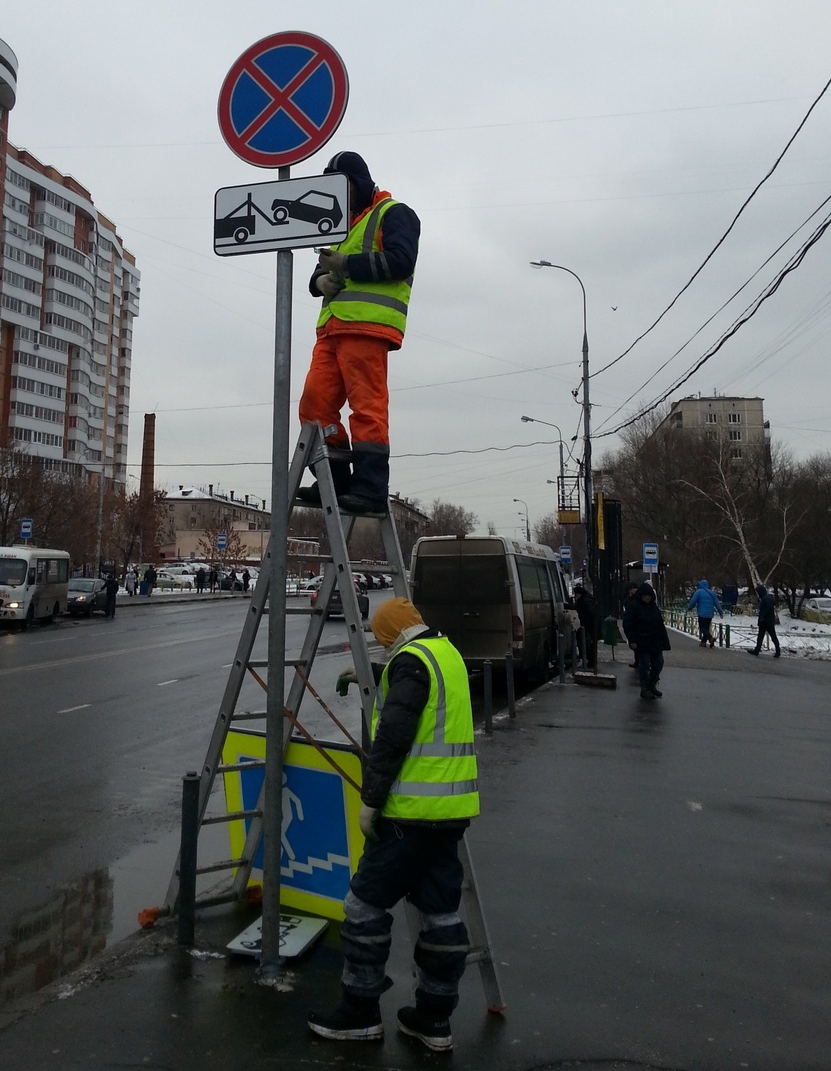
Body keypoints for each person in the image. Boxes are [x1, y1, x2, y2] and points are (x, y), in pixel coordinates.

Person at [308, 598, 477, 1053]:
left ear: (389, 636)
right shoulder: (445, 652)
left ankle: (359, 1012)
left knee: (364, 906)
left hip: (409, 815)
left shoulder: (412, 662)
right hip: (450, 812)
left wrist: (371, 801)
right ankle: (434, 1020)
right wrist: (376, 676)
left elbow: (394, 737)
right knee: (440, 913)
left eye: (381, 640)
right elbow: (425, 699)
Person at [295, 151, 420, 515]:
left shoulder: (394, 213)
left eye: (341, 187)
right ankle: (334, 481)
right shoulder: (341, 222)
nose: (336, 195)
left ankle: (370, 488)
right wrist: (320, 281)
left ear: (359, 183)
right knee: (315, 404)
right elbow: (321, 273)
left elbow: (400, 261)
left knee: (367, 408)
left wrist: (345, 265)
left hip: (367, 328)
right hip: (331, 330)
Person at [623, 582, 671, 699]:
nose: (647, 598)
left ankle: (652, 684)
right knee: (644, 665)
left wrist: (664, 641)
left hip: (655, 642)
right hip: (642, 642)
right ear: (641, 596)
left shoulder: (654, 608)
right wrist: (632, 640)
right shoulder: (634, 607)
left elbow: (660, 625)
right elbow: (627, 625)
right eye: (645, 595)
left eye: (649, 596)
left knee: (659, 663)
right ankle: (645, 688)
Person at [687, 579, 723, 647]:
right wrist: (720, 612)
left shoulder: (699, 592)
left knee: (702, 628)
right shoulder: (712, 593)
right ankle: (703, 642)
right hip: (710, 614)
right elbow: (717, 603)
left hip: (702, 613)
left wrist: (689, 607)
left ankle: (710, 638)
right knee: (706, 628)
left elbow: (693, 601)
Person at [749, 584, 780, 658]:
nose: (757, 594)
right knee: (761, 636)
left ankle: (778, 651)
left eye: (758, 592)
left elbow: (768, 609)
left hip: (767, 622)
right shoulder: (765, 598)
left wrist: (763, 616)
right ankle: (757, 650)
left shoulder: (766, 599)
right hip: (766, 621)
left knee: (772, 636)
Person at [572, 583, 597, 670]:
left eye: (576, 594)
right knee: (585, 640)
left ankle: (589, 660)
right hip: (588, 625)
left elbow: (590, 613)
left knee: (586, 642)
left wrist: (585, 625)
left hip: (588, 626)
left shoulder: (585, 600)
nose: (575, 596)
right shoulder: (585, 599)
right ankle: (587, 658)